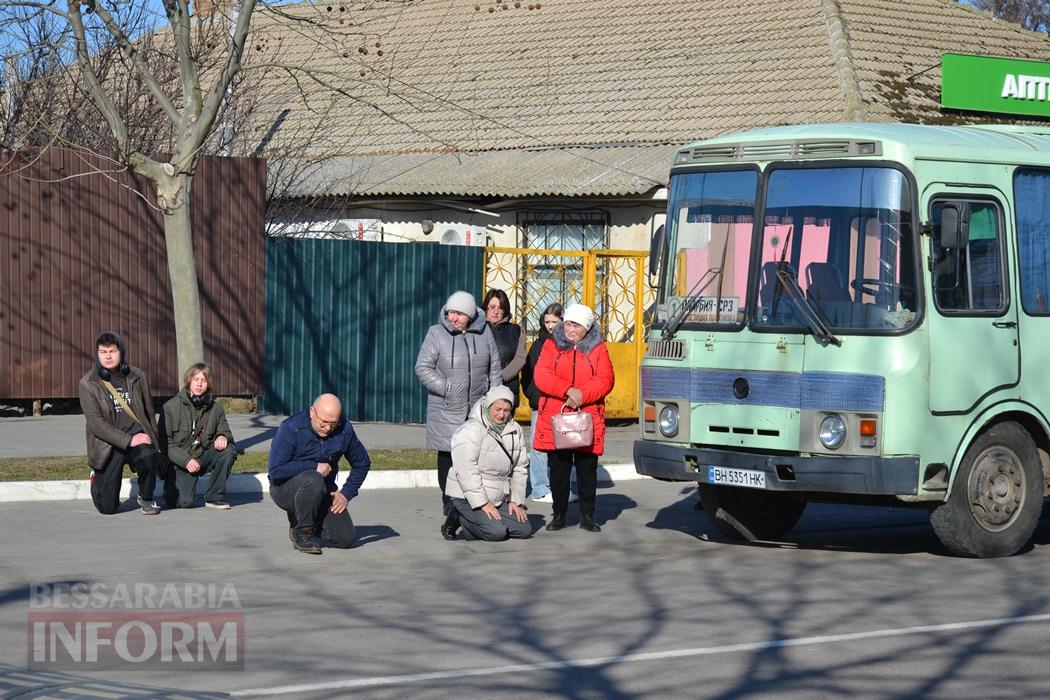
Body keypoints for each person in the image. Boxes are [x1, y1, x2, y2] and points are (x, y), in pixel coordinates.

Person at [415, 290, 502, 522]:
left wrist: (495, 399)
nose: (453, 317)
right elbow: (422, 367)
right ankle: (449, 501)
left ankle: (473, 498)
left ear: (470, 315)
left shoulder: (485, 333)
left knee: (476, 455)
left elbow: (494, 368)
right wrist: (447, 388)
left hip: (478, 407)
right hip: (446, 407)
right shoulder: (436, 333)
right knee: (448, 455)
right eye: (451, 312)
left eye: (459, 313)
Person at [533, 303, 615, 532]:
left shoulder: (598, 348)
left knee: (586, 468)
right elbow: (542, 375)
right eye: (568, 323)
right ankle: (558, 514)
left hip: (587, 416)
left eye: (576, 325)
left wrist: (582, 395)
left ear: (586, 328)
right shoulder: (551, 345)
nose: (570, 329)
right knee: (558, 468)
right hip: (557, 415)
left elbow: (605, 379)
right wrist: (568, 390)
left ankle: (587, 516)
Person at [267, 393, 370, 555]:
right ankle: (302, 532)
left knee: (345, 538)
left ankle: (309, 519)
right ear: (311, 412)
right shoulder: (290, 428)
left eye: (333, 423)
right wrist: (314, 466)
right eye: (323, 422)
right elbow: (275, 471)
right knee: (313, 478)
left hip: (323, 490)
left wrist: (346, 494)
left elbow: (362, 464)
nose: (328, 428)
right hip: (285, 489)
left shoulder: (345, 430)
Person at [78, 331, 165, 515]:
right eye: (103, 352)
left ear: (121, 352)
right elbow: (96, 424)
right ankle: (96, 480)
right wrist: (128, 440)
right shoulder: (88, 383)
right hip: (108, 445)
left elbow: (148, 412)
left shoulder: (137, 376)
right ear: (97, 354)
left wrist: (152, 438)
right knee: (108, 508)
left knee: (148, 456)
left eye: (112, 351)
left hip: (138, 437)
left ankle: (146, 498)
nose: (108, 356)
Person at [441, 385, 531, 541]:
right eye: (497, 409)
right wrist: (482, 503)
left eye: (506, 410)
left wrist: (516, 501)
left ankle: (489, 521)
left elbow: (520, 468)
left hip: (497, 496)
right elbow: (466, 470)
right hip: (466, 496)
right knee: (496, 533)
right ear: (488, 406)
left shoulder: (516, 430)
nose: (501, 415)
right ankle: (458, 516)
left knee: (524, 529)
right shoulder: (471, 429)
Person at [520, 302, 576, 505]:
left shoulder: (570, 344)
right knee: (539, 447)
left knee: (566, 446)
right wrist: (533, 396)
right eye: (547, 322)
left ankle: (563, 489)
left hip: (564, 404)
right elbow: (527, 375)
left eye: (555, 321)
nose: (551, 326)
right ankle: (540, 488)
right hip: (542, 404)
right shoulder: (539, 345)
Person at [159, 363, 236, 510]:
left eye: (204, 380)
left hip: (202, 456)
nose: (199, 384)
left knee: (229, 451)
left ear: (209, 384)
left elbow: (225, 430)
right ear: (189, 381)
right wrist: (186, 460)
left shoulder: (216, 408)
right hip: (180, 461)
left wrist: (223, 436)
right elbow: (164, 443)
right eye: (196, 379)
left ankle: (214, 497)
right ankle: (171, 487)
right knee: (183, 503)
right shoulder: (170, 407)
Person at [483, 289, 526, 408]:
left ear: (505, 310)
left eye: (500, 308)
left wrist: (500, 377)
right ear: (486, 308)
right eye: (492, 307)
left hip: (507, 388)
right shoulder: (477, 329)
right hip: (481, 388)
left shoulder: (516, 330)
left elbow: (520, 358)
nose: (495, 311)